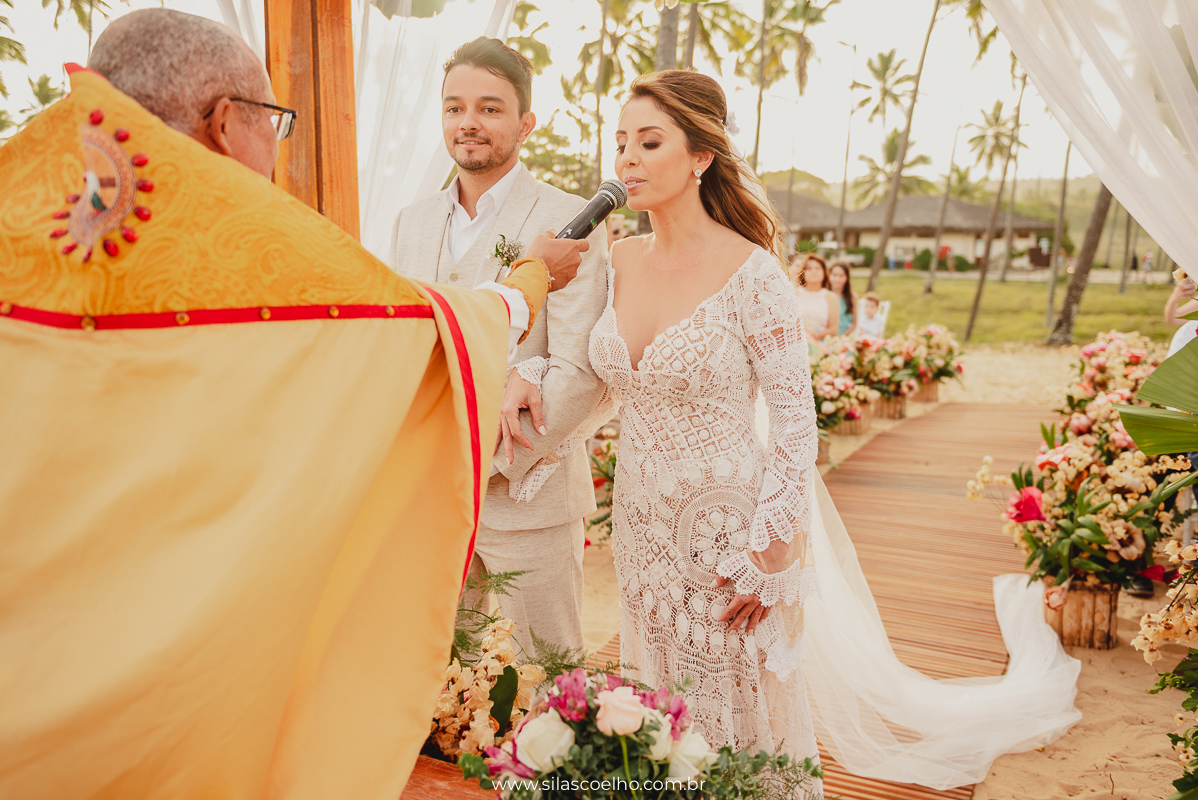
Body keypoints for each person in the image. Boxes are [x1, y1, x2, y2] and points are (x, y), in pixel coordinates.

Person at [0, 11, 590, 799]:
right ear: (222, 122)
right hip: (155, 676)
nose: (273, 150)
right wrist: (532, 278)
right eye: (272, 123)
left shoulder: (20, 187)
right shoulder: (251, 239)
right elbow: (408, 338)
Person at [506, 69, 1084, 792]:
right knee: (657, 698)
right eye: (620, 142)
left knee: (737, 700)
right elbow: (587, 374)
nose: (626, 159)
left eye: (649, 142)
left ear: (700, 156)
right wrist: (524, 375)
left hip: (731, 528)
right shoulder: (613, 261)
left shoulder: (754, 273)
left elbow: (793, 422)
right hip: (642, 520)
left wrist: (771, 550)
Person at [388, 38, 608, 661]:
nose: (469, 123)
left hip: (525, 495)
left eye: (489, 108)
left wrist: (480, 461)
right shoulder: (412, 222)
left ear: (525, 123)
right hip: (430, 497)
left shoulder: (570, 218)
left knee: (542, 678)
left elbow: (578, 371)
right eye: (455, 108)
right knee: (433, 676)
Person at [791, 252, 840, 341]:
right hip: (798, 340)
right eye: (809, 269)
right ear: (803, 272)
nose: (814, 271)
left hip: (821, 343)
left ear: (824, 272)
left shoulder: (830, 297)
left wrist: (812, 337)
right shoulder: (794, 294)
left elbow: (833, 330)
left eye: (817, 268)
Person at [828, 260, 856, 336]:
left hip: (843, 337)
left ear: (847, 277)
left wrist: (841, 337)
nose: (837, 279)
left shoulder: (852, 297)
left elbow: (854, 324)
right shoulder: (825, 295)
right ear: (829, 275)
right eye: (834, 275)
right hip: (825, 337)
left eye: (841, 276)